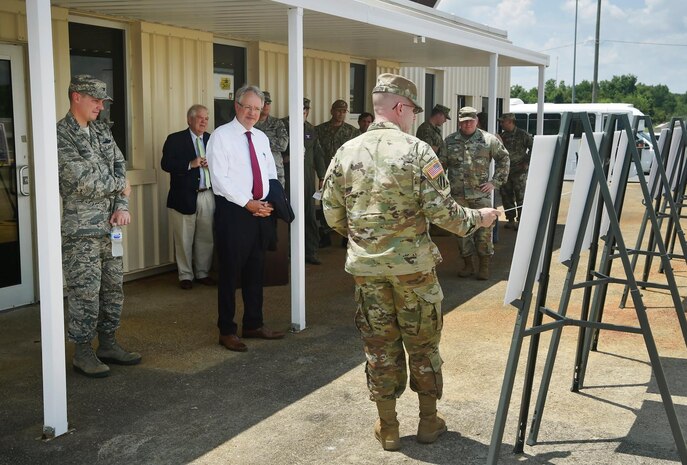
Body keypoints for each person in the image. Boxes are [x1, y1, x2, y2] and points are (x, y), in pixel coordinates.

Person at [322, 73, 500, 451]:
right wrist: (480, 219)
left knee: (379, 346)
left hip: (367, 271)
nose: (410, 117)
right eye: (411, 110)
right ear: (400, 107)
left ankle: (387, 428)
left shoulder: (346, 151)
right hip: (413, 270)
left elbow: (331, 213)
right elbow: (445, 214)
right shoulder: (418, 151)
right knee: (422, 344)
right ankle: (428, 422)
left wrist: (366, 242)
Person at [57, 75, 141, 378]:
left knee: (112, 289)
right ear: (76, 97)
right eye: (95, 99)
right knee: (85, 292)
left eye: (103, 101)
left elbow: (121, 165)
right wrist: (121, 186)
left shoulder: (102, 132)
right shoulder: (61, 135)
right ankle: (82, 351)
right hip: (82, 232)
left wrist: (122, 206)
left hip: (110, 228)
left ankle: (108, 343)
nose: (100, 105)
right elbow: (80, 181)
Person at [206, 84, 286, 353]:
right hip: (234, 212)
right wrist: (248, 203)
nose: (253, 112)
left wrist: (268, 204)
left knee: (256, 270)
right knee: (230, 273)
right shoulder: (221, 136)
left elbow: (270, 175)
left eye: (257, 108)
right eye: (248, 107)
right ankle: (226, 329)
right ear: (237, 106)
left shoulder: (261, 138)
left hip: (260, 211)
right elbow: (219, 179)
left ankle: (253, 323)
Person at [443, 106, 509, 280]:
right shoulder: (449, 141)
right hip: (457, 196)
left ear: (477, 121)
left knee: (484, 232)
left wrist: (495, 182)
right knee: (461, 233)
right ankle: (468, 265)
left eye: (471, 121)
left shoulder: (488, 140)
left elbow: (504, 158)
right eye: (464, 121)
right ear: (459, 122)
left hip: (481, 197)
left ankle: (484, 266)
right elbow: (440, 167)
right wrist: (441, 189)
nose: (468, 124)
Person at [161, 104, 216, 290]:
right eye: (200, 117)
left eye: (206, 118)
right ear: (189, 119)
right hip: (183, 197)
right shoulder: (175, 139)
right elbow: (166, 164)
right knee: (184, 238)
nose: (204, 121)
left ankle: (203, 272)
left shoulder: (212, 139)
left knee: (206, 237)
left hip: (207, 195)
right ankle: (185, 275)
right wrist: (189, 164)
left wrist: (213, 165)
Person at [282, 97, 327, 264]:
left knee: (308, 215)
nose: (304, 112)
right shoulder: (282, 126)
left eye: (306, 109)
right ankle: (286, 253)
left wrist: (322, 176)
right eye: (301, 109)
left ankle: (310, 252)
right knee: (287, 214)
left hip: (307, 178)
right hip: (287, 178)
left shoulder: (311, 129)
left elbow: (318, 154)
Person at [316, 99, 360, 246]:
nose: (341, 114)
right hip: (326, 172)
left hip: (345, 173)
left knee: (347, 203)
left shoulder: (352, 131)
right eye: (338, 110)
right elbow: (317, 153)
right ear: (332, 111)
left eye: (344, 111)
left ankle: (346, 237)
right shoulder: (319, 130)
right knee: (326, 203)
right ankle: (325, 234)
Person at [499, 112, 533, 230]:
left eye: (503, 122)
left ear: (510, 122)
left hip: (519, 171)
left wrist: (526, 162)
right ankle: (510, 219)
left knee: (520, 196)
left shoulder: (523, 135)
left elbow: (534, 147)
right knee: (506, 195)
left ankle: (521, 221)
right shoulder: (502, 136)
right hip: (506, 171)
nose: (501, 124)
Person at [255, 91, 289, 186]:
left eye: (268, 103)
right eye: (264, 103)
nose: (266, 105)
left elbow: (283, 145)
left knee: (277, 199)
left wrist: (260, 142)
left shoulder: (277, 123)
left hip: (275, 170)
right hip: (255, 169)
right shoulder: (250, 123)